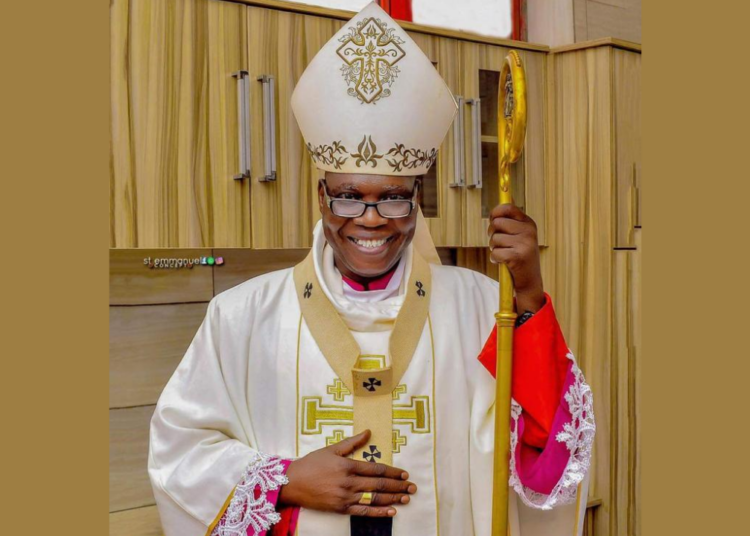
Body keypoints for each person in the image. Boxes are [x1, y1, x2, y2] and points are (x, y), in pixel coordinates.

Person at [148, 3, 595, 536]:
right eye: (348, 197)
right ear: (321, 196)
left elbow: (550, 449)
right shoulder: (241, 317)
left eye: (392, 198)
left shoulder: (481, 306)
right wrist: (284, 480)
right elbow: (179, 454)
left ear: (417, 200)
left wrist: (528, 293)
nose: (371, 219)